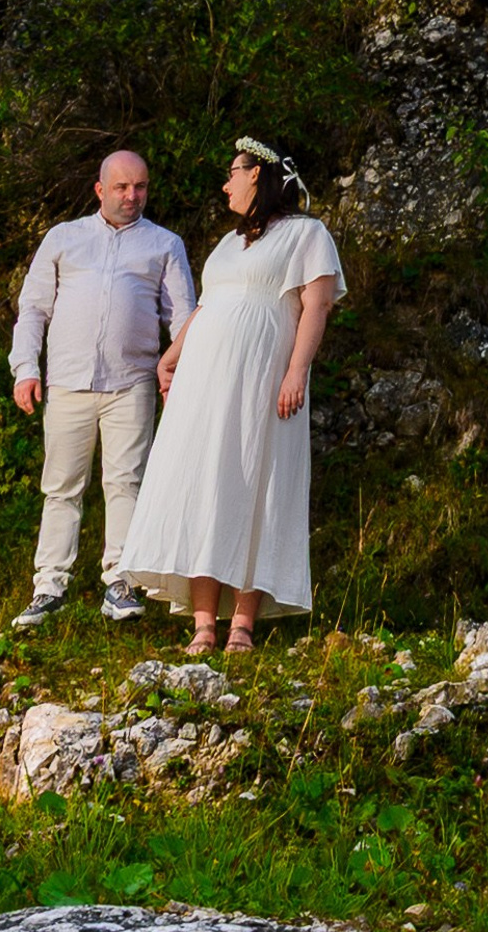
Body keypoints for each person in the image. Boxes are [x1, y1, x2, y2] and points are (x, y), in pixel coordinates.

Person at [115, 136, 345, 653]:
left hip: (262, 378)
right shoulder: (228, 243)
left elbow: (316, 306)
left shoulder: (307, 235)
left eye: (232, 173)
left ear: (258, 174)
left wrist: (296, 372)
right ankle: (203, 625)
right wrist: (173, 353)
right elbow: (211, 304)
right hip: (206, 378)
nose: (225, 184)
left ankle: (242, 624)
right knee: (204, 483)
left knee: (254, 481)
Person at [8, 147, 195, 630]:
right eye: (122, 187)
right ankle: (49, 584)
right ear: (99, 190)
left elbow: (183, 317)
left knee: (126, 481)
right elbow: (34, 308)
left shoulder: (164, 244)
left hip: (132, 382)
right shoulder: (63, 239)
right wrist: (25, 368)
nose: (133, 196)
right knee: (61, 486)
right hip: (67, 381)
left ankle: (122, 578)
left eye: (141, 187)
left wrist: (185, 373)